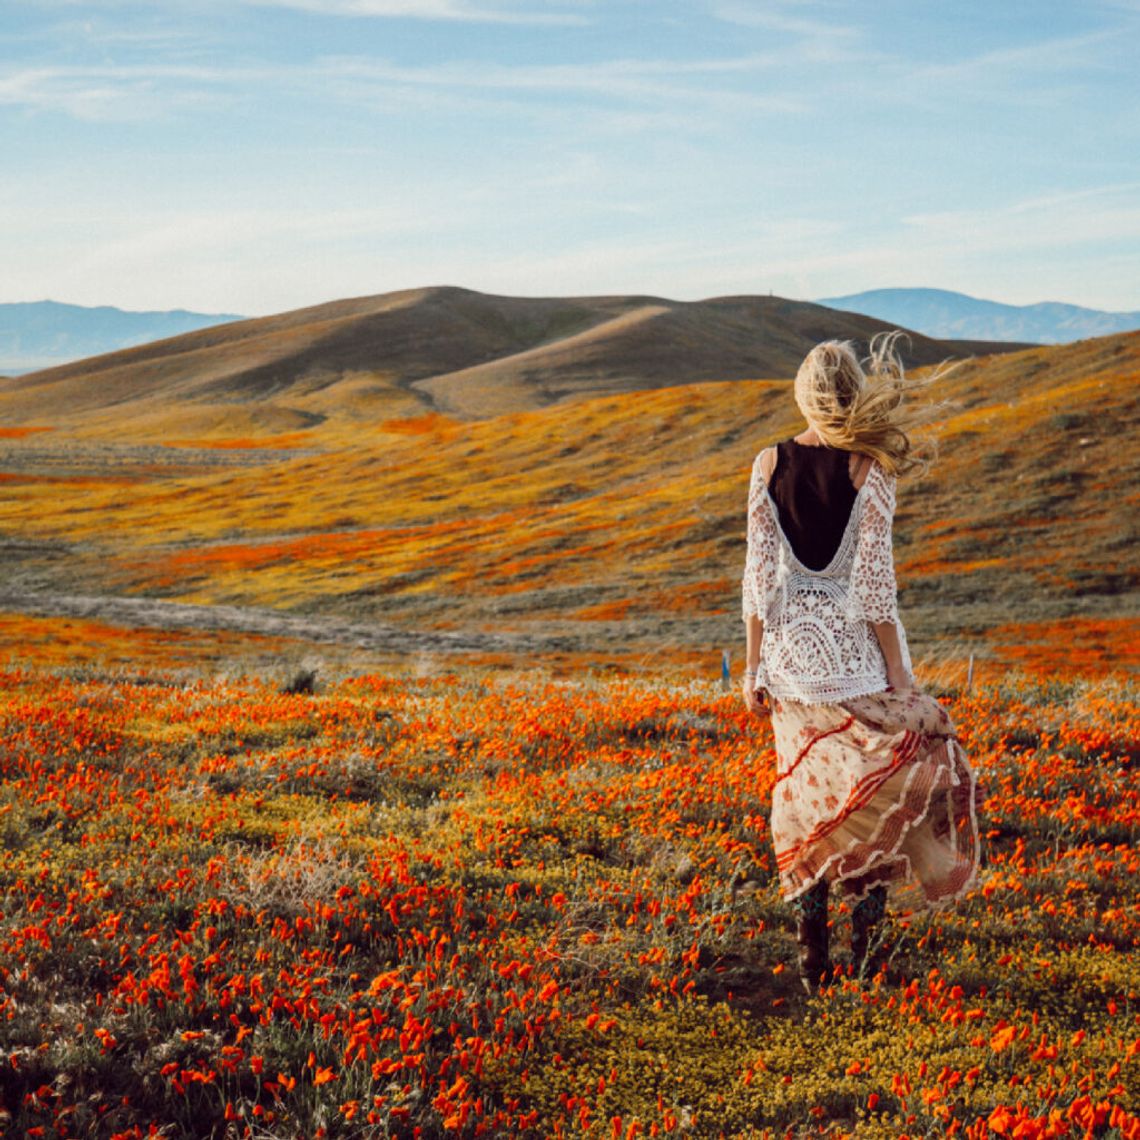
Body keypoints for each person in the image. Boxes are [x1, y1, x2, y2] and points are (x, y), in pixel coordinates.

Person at [740, 332, 979, 994]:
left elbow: (758, 579)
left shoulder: (766, 463)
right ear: (853, 395)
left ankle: (812, 954)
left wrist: (754, 668)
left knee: (802, 801)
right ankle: (867, 949)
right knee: (879, 796)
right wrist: (901, 676)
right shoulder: (870, 471)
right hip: (854, 663)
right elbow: (875, 588)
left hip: (790, 665)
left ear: (803, 394)